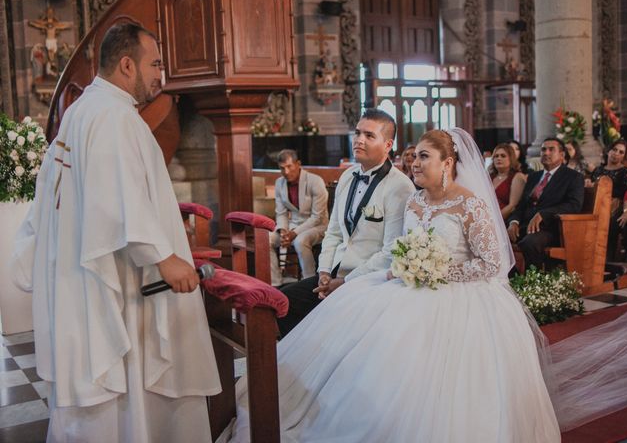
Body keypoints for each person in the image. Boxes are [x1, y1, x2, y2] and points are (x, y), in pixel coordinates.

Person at [220, 129, 562, 442]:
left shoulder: (469, 204)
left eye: (424, 156)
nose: (414, 162)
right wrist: (407, 265)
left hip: (461, 295)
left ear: (448, 162)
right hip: (408, 281)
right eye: (414, 156)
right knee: (356, 317)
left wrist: (435, 272)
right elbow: (401, 247)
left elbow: (491, 264)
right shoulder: (415, 202)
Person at [11, 23, 220, 442]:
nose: (161, 74)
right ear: (127, 65)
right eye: (155, 64)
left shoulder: (81, 113)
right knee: (128, 393)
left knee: (101, 395)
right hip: (115, 284)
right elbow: (116, 200)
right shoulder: (113, 117)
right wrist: (164, 258)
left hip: (80, 281)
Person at [277, 109, 415, 337]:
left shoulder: (400, 187)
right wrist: (323, 271)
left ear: (388, 145)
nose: (359, 140)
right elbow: (333, 233)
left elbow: (391, 251)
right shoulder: (347, 177)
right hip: (334, 271)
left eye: (369, 136)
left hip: (369, 279)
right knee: (282, 301)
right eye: (358, 133)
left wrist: (346, 281)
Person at [507, 138, 584, 270]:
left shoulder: (573, 177)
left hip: (550, 228)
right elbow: (521, 206)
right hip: (525, 226)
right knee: (495, 239)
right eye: (543, 149)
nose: (546, 153)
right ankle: (513, 281)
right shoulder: (533, 177)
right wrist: (513, 222)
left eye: (551, 149)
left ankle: (535, 283)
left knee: (529, 243)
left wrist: (543, 214)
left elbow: (574, 205)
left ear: (562, 155)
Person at [270, 149, 328, 286]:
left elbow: (317, 217)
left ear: (298, 164)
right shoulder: (279, 183)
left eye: (289, 166)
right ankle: (276, 283)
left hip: (318, 227)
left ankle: (309, 282)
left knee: (300, 241)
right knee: (266, 239)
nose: (286, 172)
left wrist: (294, 233)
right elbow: (281, 213)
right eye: (282, 168)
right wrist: (283, 231)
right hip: (292, 226)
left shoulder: (315, 181)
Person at [589, 139, 627, 260]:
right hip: (596, 204)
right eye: (614, 150)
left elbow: (624, 192)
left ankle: (606, 260)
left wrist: (601, 189)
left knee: (609, 225)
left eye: (621, 152)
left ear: (623, 156)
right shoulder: (598, 170)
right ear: (608, 151)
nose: (616, 154)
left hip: (615, 206)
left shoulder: (625, 172)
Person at [489, 142, 527, 221]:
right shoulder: (490, 177)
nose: (499, 158)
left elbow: (512, 206)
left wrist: (494, 221)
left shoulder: (518, 177)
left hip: (503, 219)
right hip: (486, 215)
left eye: (503, 156)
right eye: (496, 156)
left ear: (511, 158)